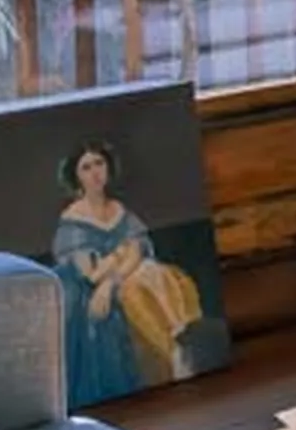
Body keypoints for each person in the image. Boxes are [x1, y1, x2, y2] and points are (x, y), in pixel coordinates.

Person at [51, 141, 205, 400]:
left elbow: (136, 251)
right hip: (88, 290)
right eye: (86, 167)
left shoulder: (118, 209)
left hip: (119, 279)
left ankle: (175, 345)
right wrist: (117, 258)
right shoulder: (73, 220)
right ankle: (167, 354)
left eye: (99, 163)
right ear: (76, 176)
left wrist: (113, 277)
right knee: (130, 290)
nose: (95, 172)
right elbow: (92, 274)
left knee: (153, 272)